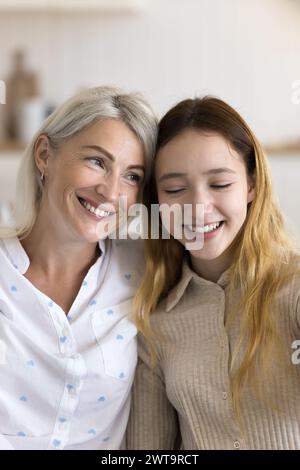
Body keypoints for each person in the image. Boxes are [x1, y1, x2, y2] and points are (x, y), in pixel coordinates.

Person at [126, 96, 300, 450]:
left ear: (251, 184)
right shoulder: (155, 320)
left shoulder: (294, 287)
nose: (198, 208)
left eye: (220, 184)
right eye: (175, 189)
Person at [0, 86, 157, 450]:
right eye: (97, 162)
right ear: (44, 155)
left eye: (132, 176)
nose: (111, 191)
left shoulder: (143, 269)